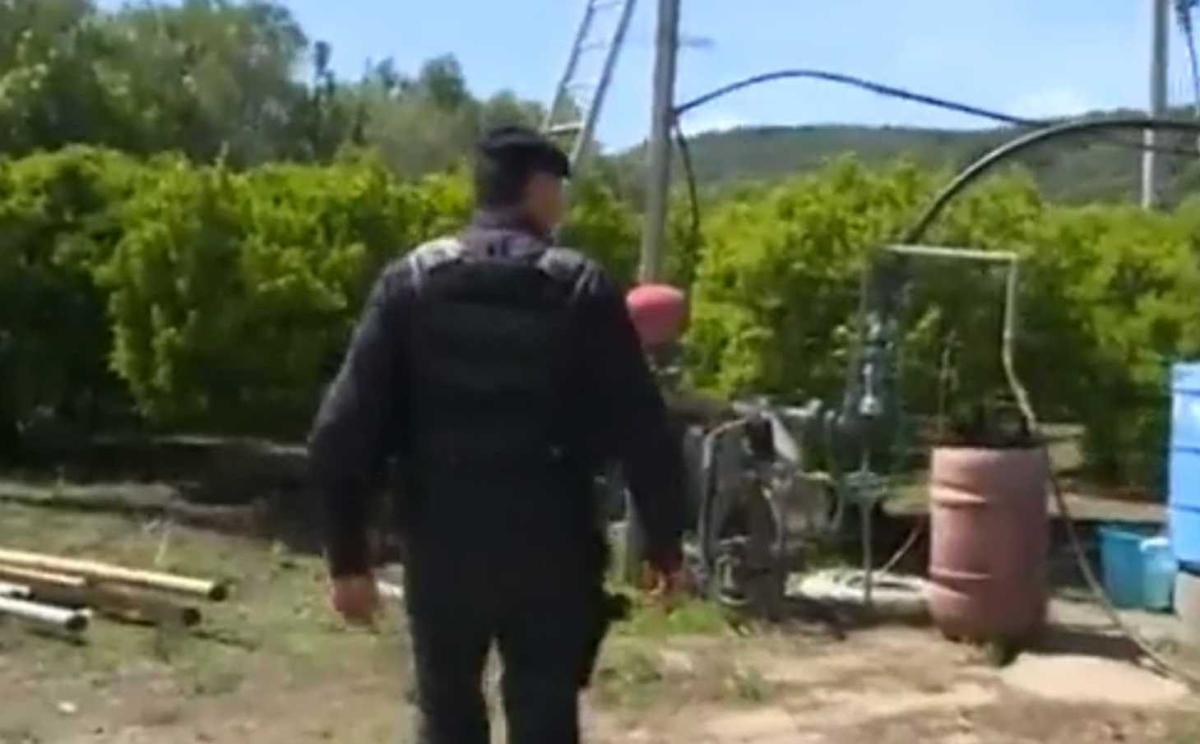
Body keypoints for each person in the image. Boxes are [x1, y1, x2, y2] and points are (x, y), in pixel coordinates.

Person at [308, 125, 687, 744]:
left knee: (447, 713)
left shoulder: (411, 283)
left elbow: (342, 431)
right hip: (552, 548)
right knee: (545, 715)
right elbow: (642, 427)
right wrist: (665, 544)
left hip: (441, 547)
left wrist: (348, 558)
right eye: (557, 186)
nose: (562, 201)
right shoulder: (580, 286)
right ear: (535, 189)